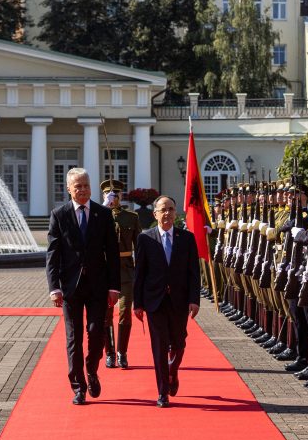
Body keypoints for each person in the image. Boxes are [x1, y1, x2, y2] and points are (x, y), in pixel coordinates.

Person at [46, 167, 120, 405]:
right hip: (70, 288)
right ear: (68, 189)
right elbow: (53, 254)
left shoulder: (102, 214)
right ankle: (78, 386)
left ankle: (92, 369)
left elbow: (113, 254)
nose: (83, 190)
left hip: (98, 286)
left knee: (96, 333)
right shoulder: (59, 215)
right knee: (73, 337)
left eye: (86, 185)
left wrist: (114, 286)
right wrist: (54, 287)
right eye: (77, 186)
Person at [133, 196, 201, 407]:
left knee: (179, 343)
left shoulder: (187, 238)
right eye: (163, 210)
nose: (167, 214)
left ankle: (173, 370)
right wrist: (138, 303)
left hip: (180, 301)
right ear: (155, 214)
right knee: (160, 346)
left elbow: (193, 273)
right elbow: (140, 273)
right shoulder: (145, 238)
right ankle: (162, 391)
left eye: (171, 209)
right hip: (155, 301)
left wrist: (194, 299)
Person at [101, 180, 142, 370]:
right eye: (109, 195)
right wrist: (103, 209)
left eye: (116, 194)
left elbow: (139, 247)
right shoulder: (98, 215)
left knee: (125, 312)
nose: (113, 198)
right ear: (104, 196)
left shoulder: (131, 218)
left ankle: (121, 352)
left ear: (121, 196)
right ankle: (109, 353)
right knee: (106, 314)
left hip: (126, 269)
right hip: (106, 270)